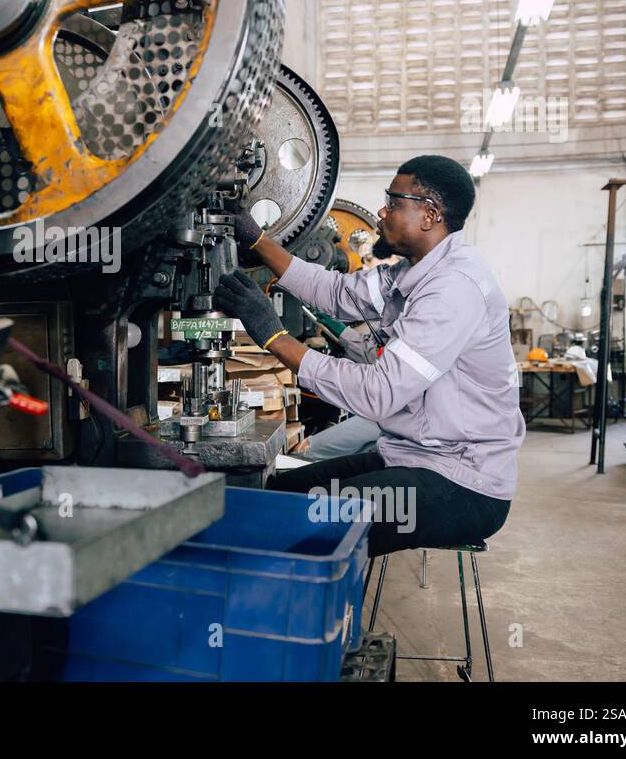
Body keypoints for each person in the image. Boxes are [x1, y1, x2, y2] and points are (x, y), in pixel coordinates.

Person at [215, 155, 523, 556]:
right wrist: (257, 240)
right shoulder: (414, 272)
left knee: (306, 524)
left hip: (463, 482)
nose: (382, 211)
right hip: (411, 457)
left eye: (394, 202)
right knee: (277, 497)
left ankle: (304, 613)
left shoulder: (453, 287)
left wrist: (273, 336)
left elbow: (378, 393)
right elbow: (338, 293)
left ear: (430, 215)